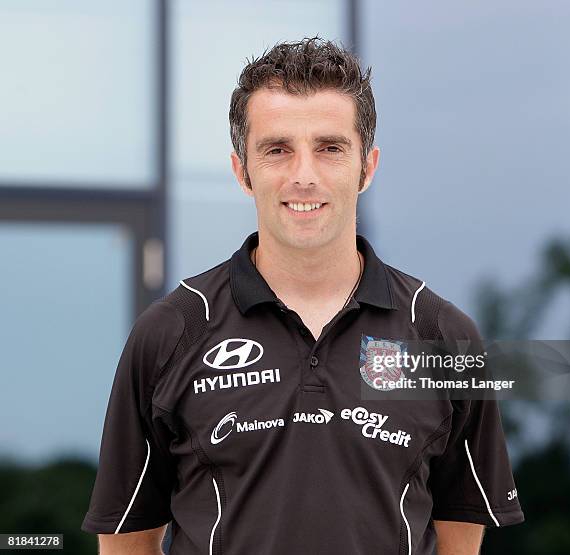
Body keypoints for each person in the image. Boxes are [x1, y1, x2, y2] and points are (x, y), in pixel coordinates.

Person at [82, 36, 524, 555]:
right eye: (277, 150)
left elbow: (458, 536)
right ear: (241, 171)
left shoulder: (442, 338)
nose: (304, 176)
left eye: (331, 148)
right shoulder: (171, 333)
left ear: (368, 166)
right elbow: (126, 542)